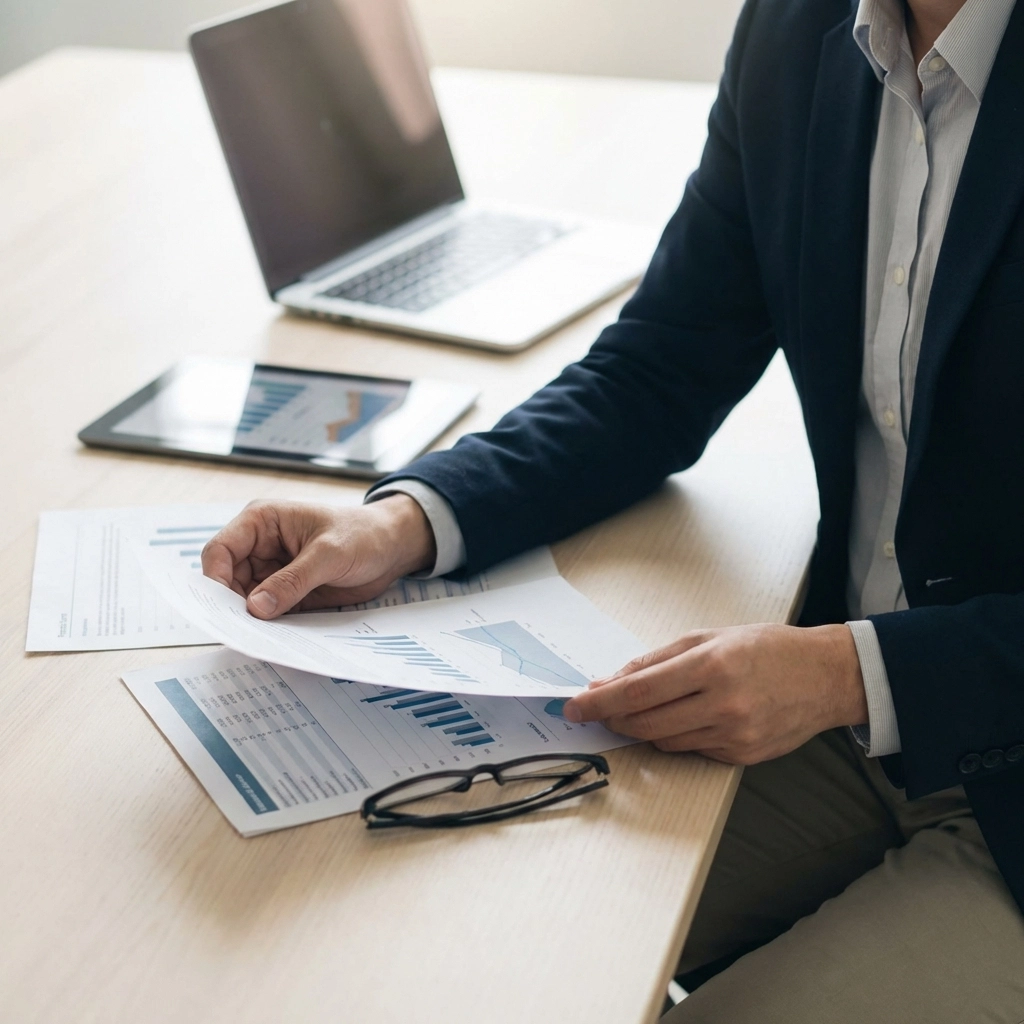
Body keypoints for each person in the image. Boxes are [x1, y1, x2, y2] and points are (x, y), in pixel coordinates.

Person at [201, 0, 1024, 1017]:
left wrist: (851, 673)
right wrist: (406, 522)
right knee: (461, 949)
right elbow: (659, 367)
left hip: (961, 754)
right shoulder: (795, 28)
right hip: (851, 737)